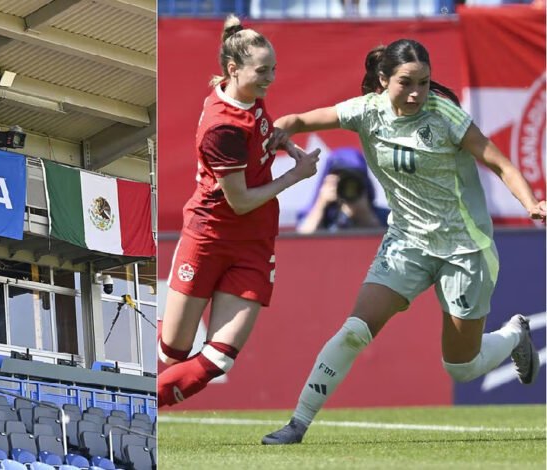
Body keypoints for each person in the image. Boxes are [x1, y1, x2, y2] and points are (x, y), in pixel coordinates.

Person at [261, 38, 545, 445]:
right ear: (382, 80)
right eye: (405, 83)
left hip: (465, 248)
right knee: (355, 330)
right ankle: (297, 425)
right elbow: (299, 120)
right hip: (406, 243)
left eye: (424, 83)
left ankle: (515, 334)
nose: (416, 93)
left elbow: (498, 162)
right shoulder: (365, 112)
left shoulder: (444, 115)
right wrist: (281, 129)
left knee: (460, 368)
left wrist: (532, 202)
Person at [157, 15, 320, 408]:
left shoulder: (247, 96)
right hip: (208, 236)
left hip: (253, 243)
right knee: (172, 353)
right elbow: (241, 200)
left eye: (273, 69)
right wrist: (296, 175)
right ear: (233, 70)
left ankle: (145, 408)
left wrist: (277, 139)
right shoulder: (222, 127)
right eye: (264, 71)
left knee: (219, 358)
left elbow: (258, 137)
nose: (271, 79)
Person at [296, 147, 389, 233]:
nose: (348, 186)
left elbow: (387, 243)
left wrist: (365, 215)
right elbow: (303, 242)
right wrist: (321, 204)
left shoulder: (385, 216)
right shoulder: (323, 215)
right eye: (341, 178)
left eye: (353, 180)